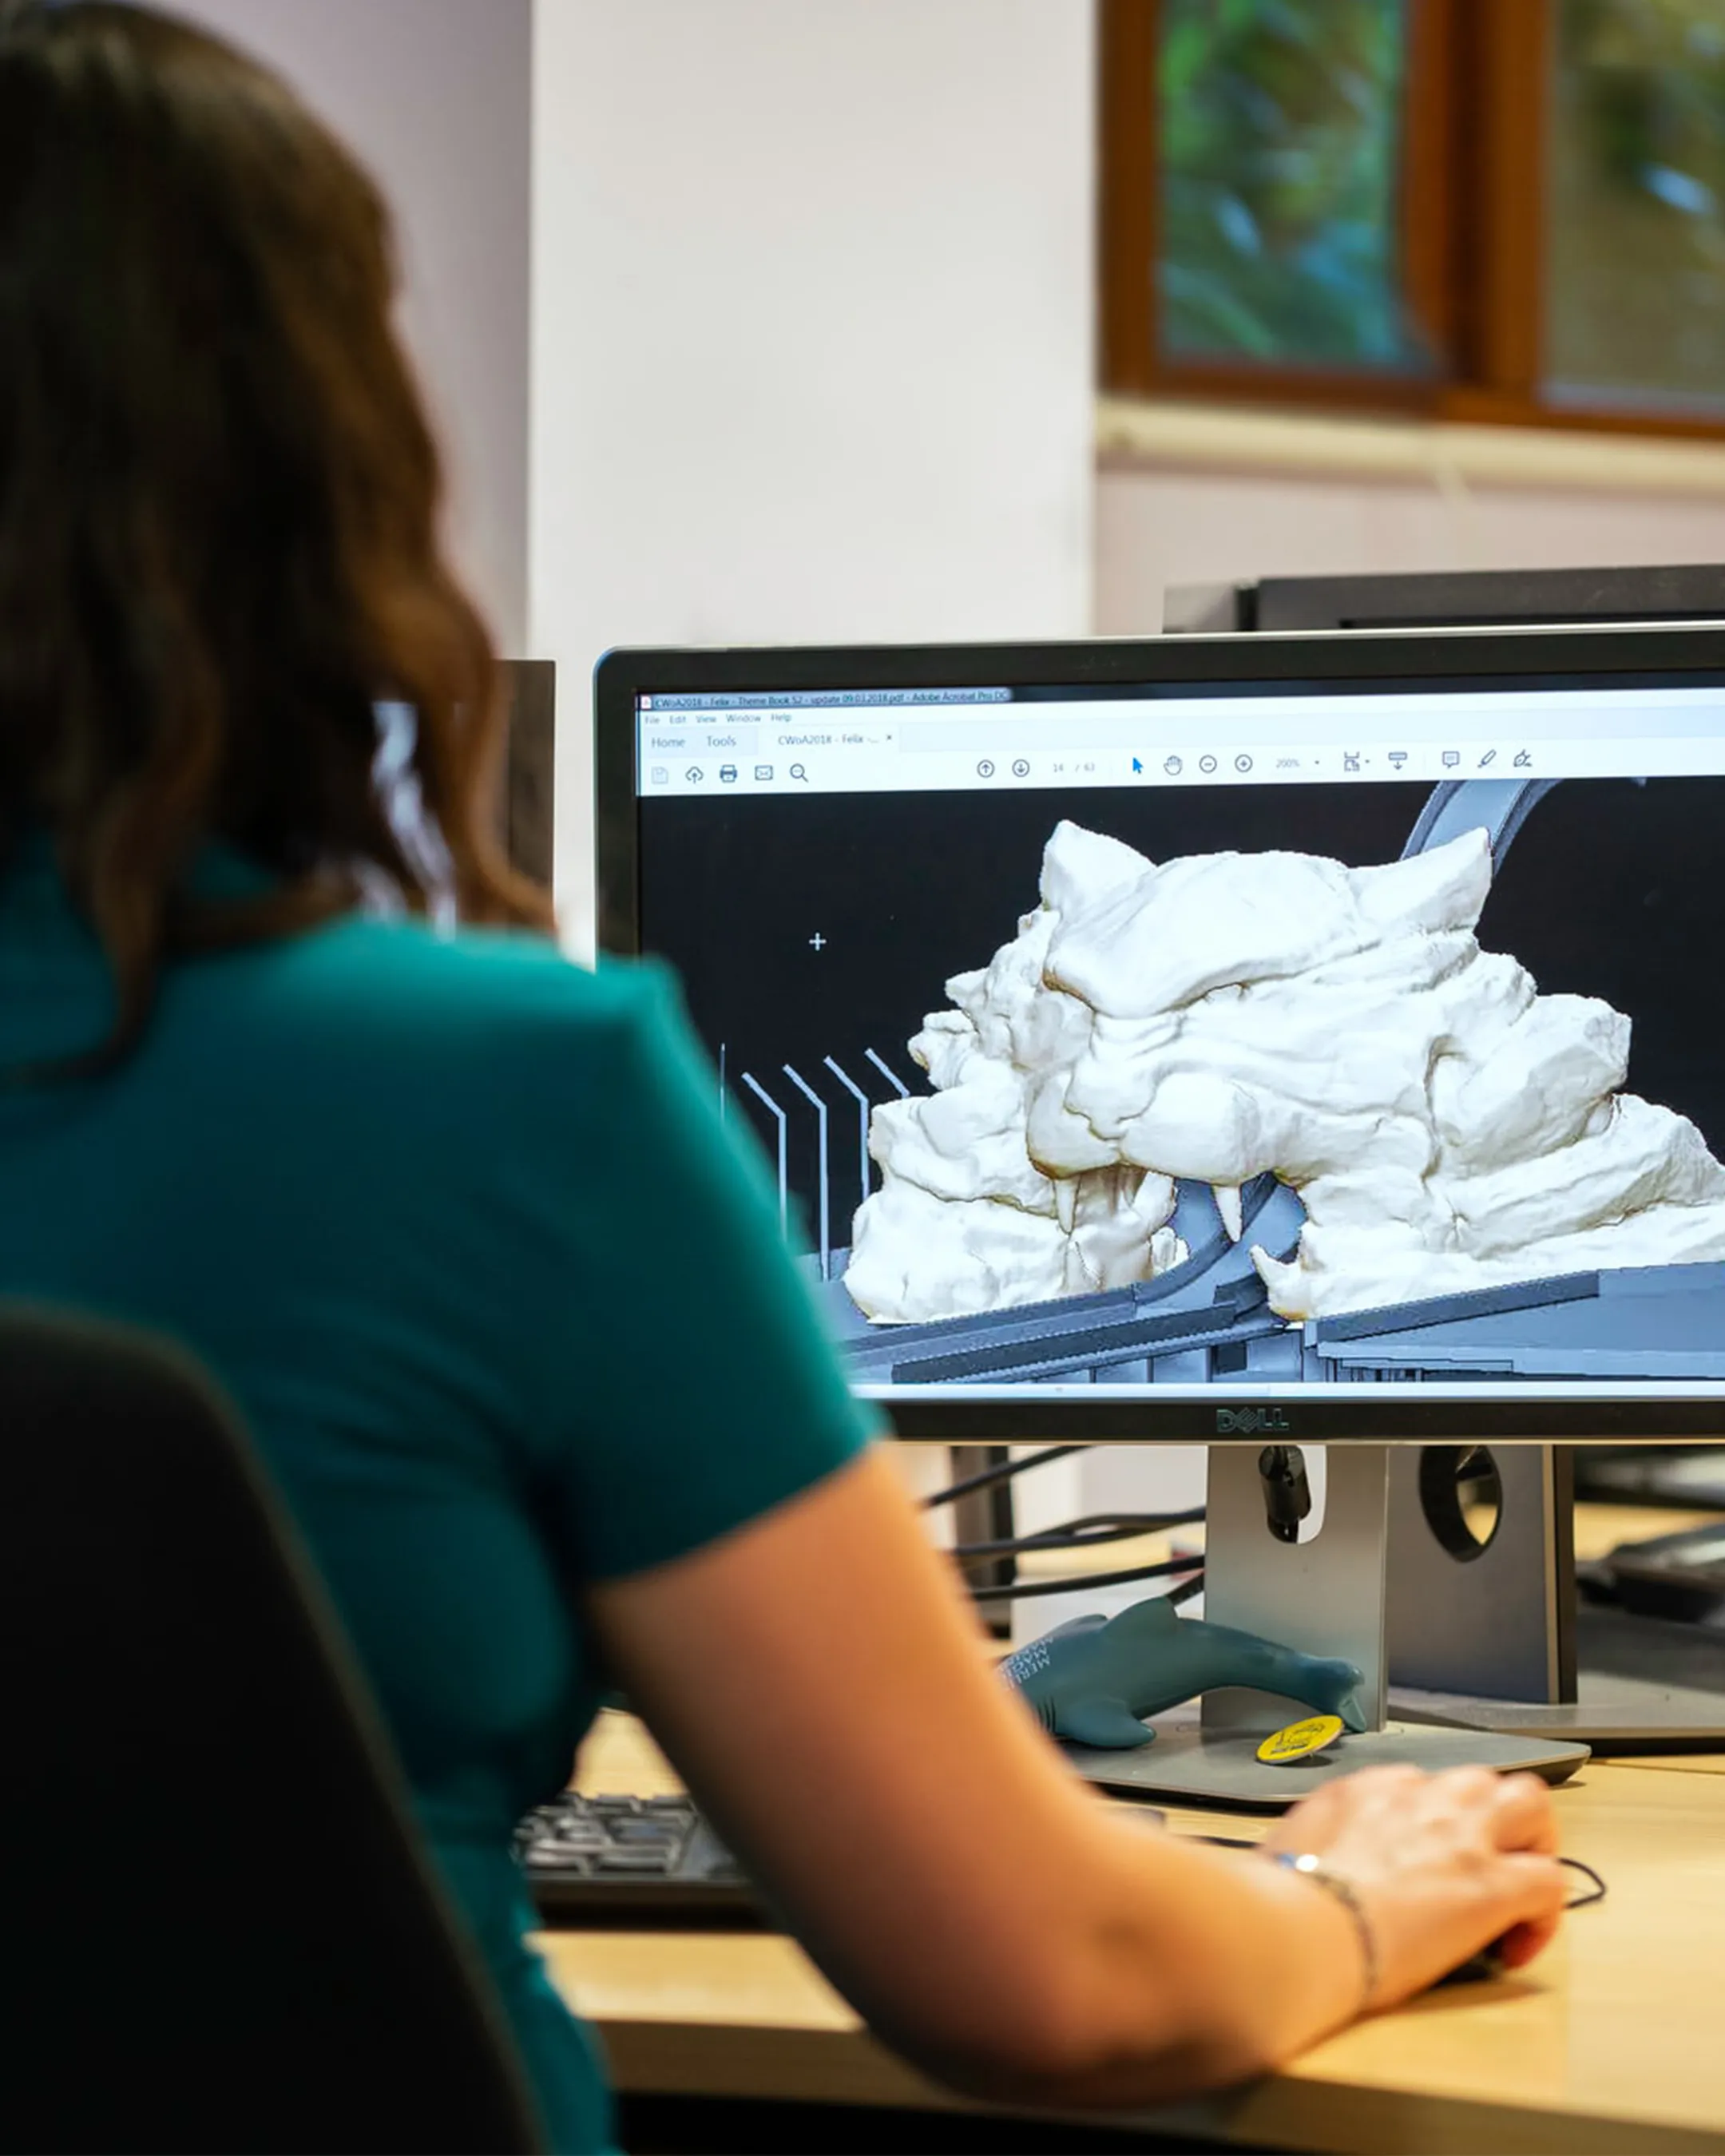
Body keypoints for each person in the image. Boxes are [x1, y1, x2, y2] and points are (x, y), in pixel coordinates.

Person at [0, 6, 1568, 2151]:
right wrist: (1352, 1890)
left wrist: (938, 1721)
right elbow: (1058, 1984)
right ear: (323, 480)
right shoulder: (499, 1105)